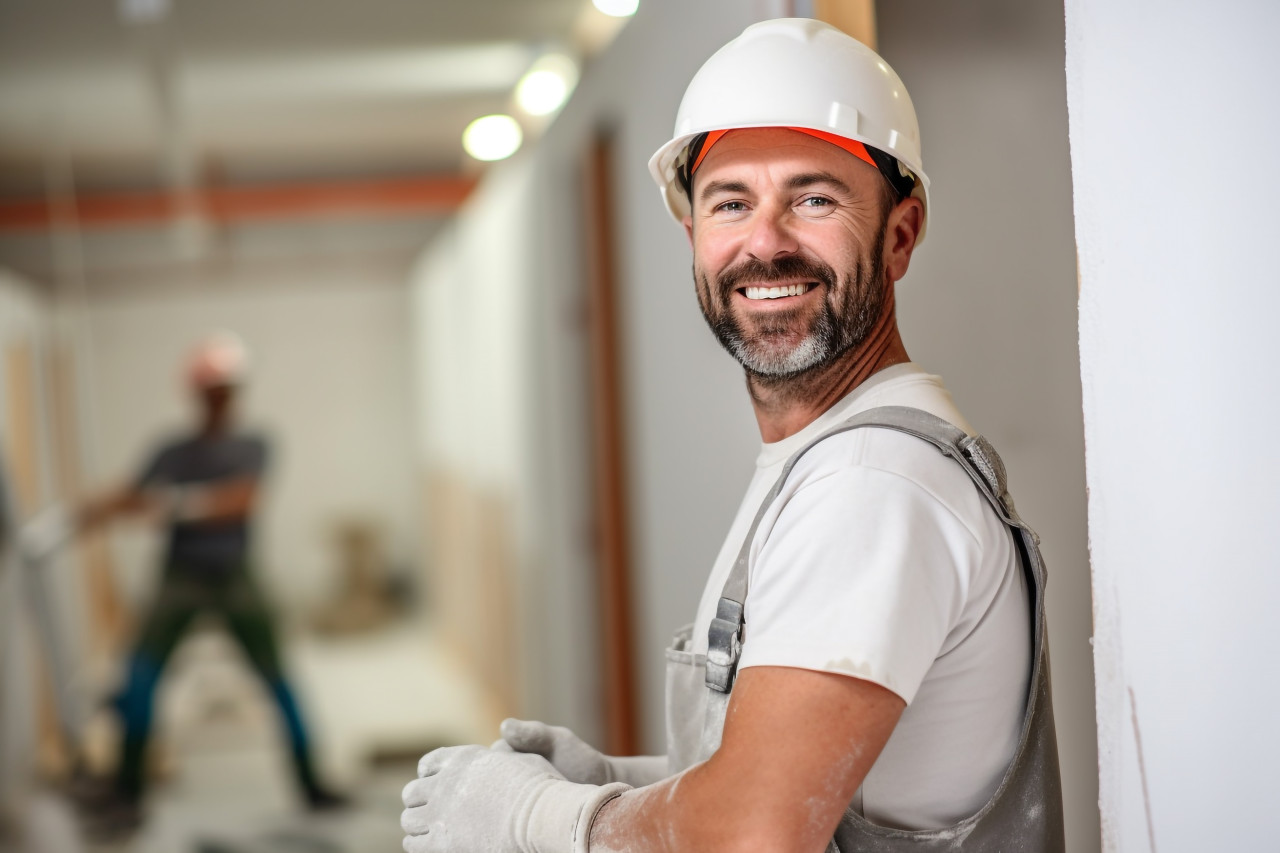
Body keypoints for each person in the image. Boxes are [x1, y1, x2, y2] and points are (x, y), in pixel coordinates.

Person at [400, 18, 1063, 852]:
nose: (765, 242)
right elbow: (819, 779)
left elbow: (757, 832)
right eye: (731, 202)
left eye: (813, 197)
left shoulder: (871, 483)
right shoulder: (828, 458)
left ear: (900, 233)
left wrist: (544, 818)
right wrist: (625, 784)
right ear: (693, 236)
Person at [80, 332, 344, 832]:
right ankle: (125, 791)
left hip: (234, 579)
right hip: (179, 578)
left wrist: (173, 505)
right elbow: (131, 495)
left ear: (235, 393)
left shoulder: (253, 444)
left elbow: (239, 502)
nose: (219, 398)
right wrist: (86, 512)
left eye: (225, 389)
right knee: (139, 679)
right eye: (211, 390)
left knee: (277, 680)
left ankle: (312, 785)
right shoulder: (173, 449)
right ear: (198, 395)